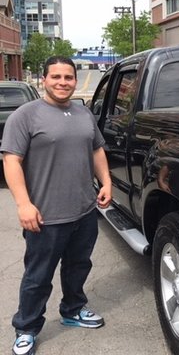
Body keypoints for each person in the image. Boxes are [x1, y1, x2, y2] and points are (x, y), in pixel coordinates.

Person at [0, 56, 112, 355]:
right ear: (44, 80)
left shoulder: (83, 113)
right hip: (45, 216)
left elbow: (96, 149)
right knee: (38, 277)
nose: (62, 82)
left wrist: (107, 183)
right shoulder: (25, 115)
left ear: (76, 80)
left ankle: (73, 310)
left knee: (78, 266)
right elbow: (11, 161)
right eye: (56, 77)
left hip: (85, 211)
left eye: (68, 77)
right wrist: (24, 204)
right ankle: (26, 327)